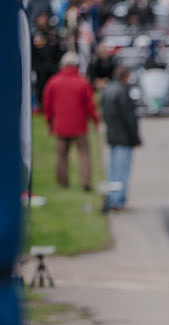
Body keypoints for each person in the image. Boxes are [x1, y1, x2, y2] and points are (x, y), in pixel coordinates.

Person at [42, 51, 99, 190]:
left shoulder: (53, 82)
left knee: (62, 155)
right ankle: (85, 181)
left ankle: (62, 183)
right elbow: (90, 105)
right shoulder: (82, 82)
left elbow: (47, 105)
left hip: (61, 126)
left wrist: (49, 122)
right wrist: (95, 120)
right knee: (84, 154)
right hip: (79, 126)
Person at [100, 65, 140, 211]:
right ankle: (119, 201)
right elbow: (130, 117)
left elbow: (104, 113)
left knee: (113, 170)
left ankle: (111, 198)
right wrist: (136, 138)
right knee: (122, 172)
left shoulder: (108, 90)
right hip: (124, 137)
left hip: (112, 135)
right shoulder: (123, 92)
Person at [31, 11, 64, 109]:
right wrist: (35, 66)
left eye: (44, 18)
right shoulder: (35, 35)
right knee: (41, 86)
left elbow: (60, 48)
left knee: (54, 86)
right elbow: (33, 52)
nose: (43, 21)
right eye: (40, 18)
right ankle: (41, 105)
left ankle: (55, 104)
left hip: (53, 65)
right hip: (40, 66)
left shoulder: (53, 34)